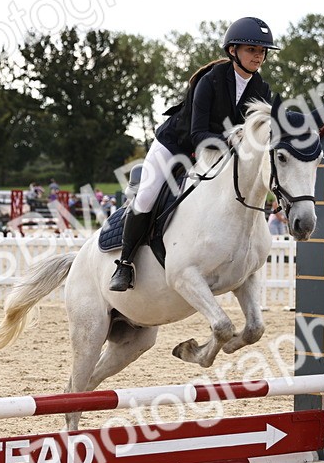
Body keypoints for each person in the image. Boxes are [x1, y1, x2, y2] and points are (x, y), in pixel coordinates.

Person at [109, 16, 276, 292]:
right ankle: (124, 264)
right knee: (147, 195)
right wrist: (233, 139)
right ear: (233, 50)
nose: (258, 56)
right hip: (176, 144)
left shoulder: (262, 89)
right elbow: (198, 135)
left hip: (217, 151)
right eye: (251, 49)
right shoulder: (211, 81)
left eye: (262, 51)